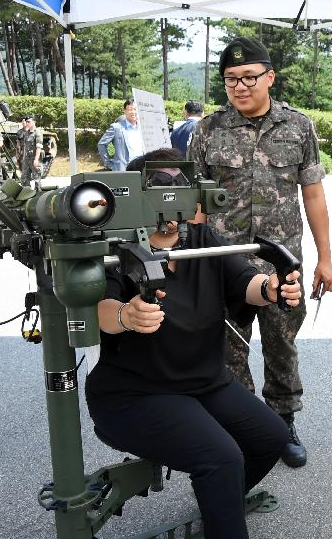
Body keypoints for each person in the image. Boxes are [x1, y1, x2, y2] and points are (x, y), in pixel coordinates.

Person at [86, 152, 301, 539]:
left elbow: (244, 282)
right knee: (221, 457)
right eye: (161, 187)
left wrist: (272, 288)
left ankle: (220, 502)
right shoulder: (114, 246)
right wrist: (127, 316)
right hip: (135, 393)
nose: (172, 200)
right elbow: (100, 306)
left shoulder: (201, 239)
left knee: (271, 437)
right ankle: (222, 510)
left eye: (180, 186)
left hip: (202, 382)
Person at [188, 36, 332, 469]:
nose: (239, 86)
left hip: (280, 258)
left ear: (269, 77)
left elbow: (313, 194)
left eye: (249, 77)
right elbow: (193, 201)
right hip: (223, 260)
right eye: (230, 79)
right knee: (227, 345)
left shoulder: (298, 126)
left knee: (281, 342)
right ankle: (243, 423)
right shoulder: (208, 129)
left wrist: (325, 258)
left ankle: (283, 420)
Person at [98, 98, 145, 171]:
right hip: (123, 169)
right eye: (130, 109)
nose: (133, 112)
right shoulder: (116, 127)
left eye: (135, 109)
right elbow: (101, 144)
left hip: (142, 168)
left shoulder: (143, 128)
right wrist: (108, 163)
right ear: (124, 111)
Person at [16, 114, 43, 186]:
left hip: (34, 158)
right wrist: (24, 157)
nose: (27, 123)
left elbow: (39, 147)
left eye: (28, 122)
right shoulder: (26, 133)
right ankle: (27, 194)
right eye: (26, 122)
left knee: (36, 179)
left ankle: (38, 193)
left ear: (34, 122)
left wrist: (36, 159)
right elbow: (25, 146)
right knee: (24, 179)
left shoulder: (37, 132)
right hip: (27, 159)